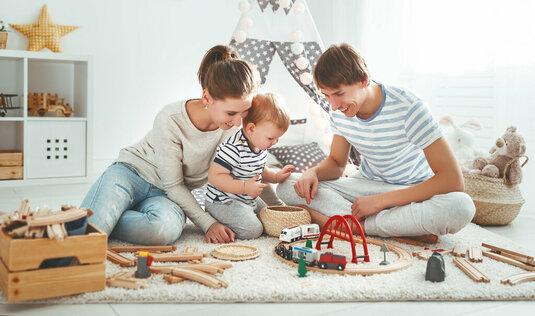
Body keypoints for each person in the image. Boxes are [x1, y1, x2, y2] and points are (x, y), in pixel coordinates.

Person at [276, 43, 475, 242]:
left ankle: (360, 226)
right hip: (365, 185)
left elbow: (452, 180)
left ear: (364, 80)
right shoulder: (341, 112)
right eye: (327, 96)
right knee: (288, 185)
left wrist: (380, 202)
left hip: (412, 190)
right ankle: (396, 226)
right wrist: (312, 173)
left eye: (339, 93)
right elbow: (337, 164)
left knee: (461, 207)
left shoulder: (409, 107)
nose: (334, 106)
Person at [81, 45, 260, 245]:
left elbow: (249, 168)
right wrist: (208, 223)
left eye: (243, 112)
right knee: (91, 233)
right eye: (230, 113)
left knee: (161, 230)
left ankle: (102, 215)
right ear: (207, 98)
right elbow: (173, 183)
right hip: (131, 174)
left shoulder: (235, 128)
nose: (238, 123)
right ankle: (97, 216)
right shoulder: (170, 118)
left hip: (168, 195)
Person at [205, 93, 295, 239]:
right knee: (253, 230)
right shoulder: (233, 148)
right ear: (251, 129)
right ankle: (218, 220)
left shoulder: (259, 146)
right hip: (223, 202)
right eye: (271, 138)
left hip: (246, 199)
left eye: (278, 138)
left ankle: (244, 216)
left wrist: (275, 176)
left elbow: (258, 169)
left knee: (272, 218)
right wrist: (244, 187)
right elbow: (215, 177)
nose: (275, 142)